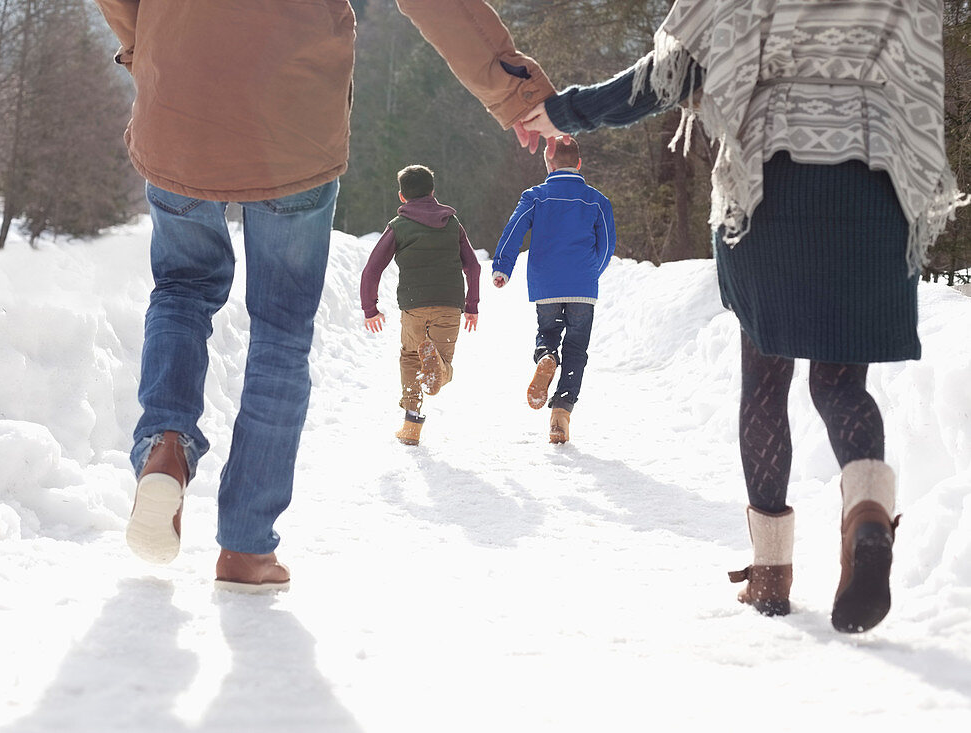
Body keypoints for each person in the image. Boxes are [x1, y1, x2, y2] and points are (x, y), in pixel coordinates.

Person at [514, 0, 967, 631]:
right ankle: (868, 514)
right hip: (875, 187)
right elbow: (919, 80)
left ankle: (771, 575)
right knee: (840, 384)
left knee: (766, 376)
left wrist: (565, 111)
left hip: (769, 188)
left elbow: (666, 75)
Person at [92, 0, 556, 590]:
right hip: (293, 125)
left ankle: (165, 447)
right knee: (281, 330)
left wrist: (149, 52)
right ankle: (245, 548)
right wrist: (515, 92)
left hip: (178, 108)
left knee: (182, 289)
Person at [491, 137, 616, 444]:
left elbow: (514, 229)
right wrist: (591, 272)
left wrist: (502, 267)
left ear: (548, 163)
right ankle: (561, 413)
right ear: (579, 163)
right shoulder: (597, 200)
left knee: (548, 331)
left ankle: (546, 356)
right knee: (576, 349)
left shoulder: (536, 196)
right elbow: (607, 244)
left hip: (546, 283)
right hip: (582, 286)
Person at [360, 165, 481, 446]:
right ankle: (437, 366)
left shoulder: (398, 226)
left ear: (402, 196)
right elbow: (473, 266)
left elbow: (372, 269)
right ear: (433, 192)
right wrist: (471, 305)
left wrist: (370, 309)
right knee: (443, 365)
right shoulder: (452, 224)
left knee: (410, 358)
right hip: (449, 305)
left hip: (413, 306)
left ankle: (411, 424)